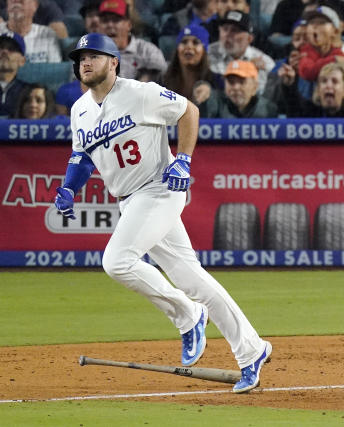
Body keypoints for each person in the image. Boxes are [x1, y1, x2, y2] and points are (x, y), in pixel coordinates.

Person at [53, 33, 272, 393]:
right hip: (129, 199)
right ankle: (252, 351)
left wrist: (183, 160)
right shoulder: (79, 110)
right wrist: (68, 187)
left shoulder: (139, 93)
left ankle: (187, 314)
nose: (84, 63)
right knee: (191, 278)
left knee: (117, 261)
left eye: (93, 56)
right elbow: (82, 156)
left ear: (114, 62)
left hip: (159, 189)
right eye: (80, 58)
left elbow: (189, 110)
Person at [208, 10, 275, 94]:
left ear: (249, 38)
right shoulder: (208, 53)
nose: (227, 34)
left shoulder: (265, 62)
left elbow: (263, 94)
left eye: (234, 30)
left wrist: (253, 72)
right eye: (225, 29)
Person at [99, 0, 167, 80]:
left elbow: (161, 80)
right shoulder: (91, 55)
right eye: (105, 21)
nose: (109, 25)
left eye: (116, 20)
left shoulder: (148, 51)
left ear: (129, 25)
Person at [279, 60, 344, 117]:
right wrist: (289, 85)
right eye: (324, 81)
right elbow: (294, 109)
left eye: (334, 81)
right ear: (318, 89)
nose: (328, 85)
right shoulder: (309, 112)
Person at [162, 24, 221, 101]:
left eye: (196, 42)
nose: (189, 46)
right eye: (184, 42)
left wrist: (211, 94)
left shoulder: (217, 82)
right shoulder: (164, 80)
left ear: (204, 51)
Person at [199, 60, 279, 118]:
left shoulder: (268, 109)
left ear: (255, 86)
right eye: (231, 82)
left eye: (242, 82)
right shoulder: (214, 102)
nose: (236, 87)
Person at [0, 31, 28, 118]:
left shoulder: (29, 91)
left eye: (12, 49)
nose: (4, 51)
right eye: (0, 47)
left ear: (22, 61)